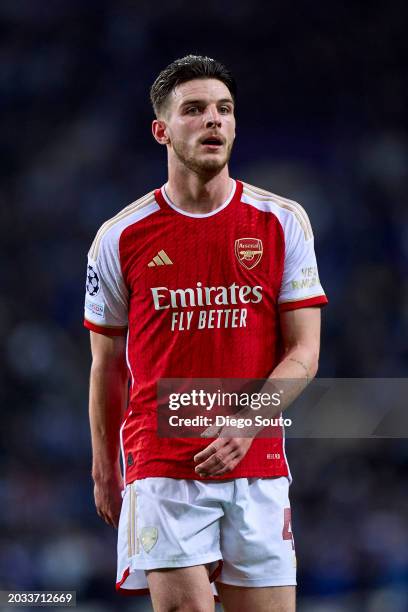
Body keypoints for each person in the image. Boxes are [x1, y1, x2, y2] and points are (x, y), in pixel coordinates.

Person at [84, 54, 327, 612]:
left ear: (236, 125)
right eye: (194, 110)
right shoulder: (120, 236)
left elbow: (304, 353)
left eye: (224, 110)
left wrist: (246, 425)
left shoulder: (282, 221)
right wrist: (104, 466)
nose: (213, 120)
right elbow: (106, 362)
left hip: (257, 461)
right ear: (162, 130)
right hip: (161, 464)